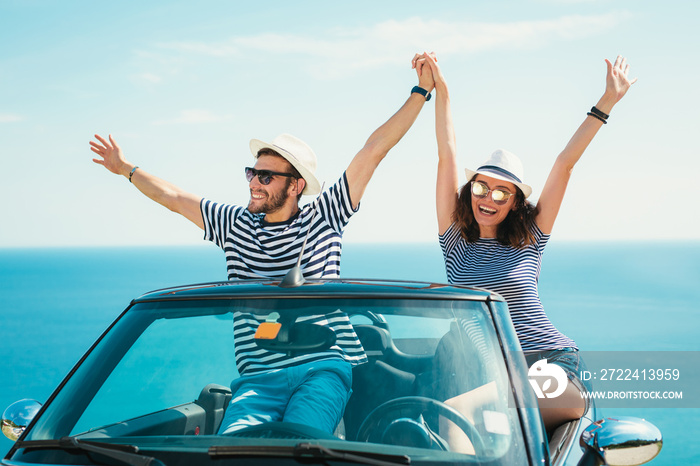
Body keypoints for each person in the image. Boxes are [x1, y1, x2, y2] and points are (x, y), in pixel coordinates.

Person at [90, 56, 436, 435]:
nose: (254, 182)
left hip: (323, 366)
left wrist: (420, 91)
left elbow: (373, 150)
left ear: (296, 185)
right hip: (258, 377)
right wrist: (126, 169)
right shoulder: (235, 224)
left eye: (266, 176)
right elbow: (174, 197)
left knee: (301, 446)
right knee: (232, 452)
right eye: (252, 172)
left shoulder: (324, 215)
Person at [417, 52, 636, 433]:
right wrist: (441, 89)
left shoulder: (530, 238)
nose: (488, 198)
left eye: (502, 193)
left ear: (515, 203)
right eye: (482, 187)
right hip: (500, 375)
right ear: (471, 190)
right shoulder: (455, 243)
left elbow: (564, 163)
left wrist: (607, 102)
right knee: (473, 425)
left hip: (552, 367)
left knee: (456, 413)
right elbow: (446, 152)